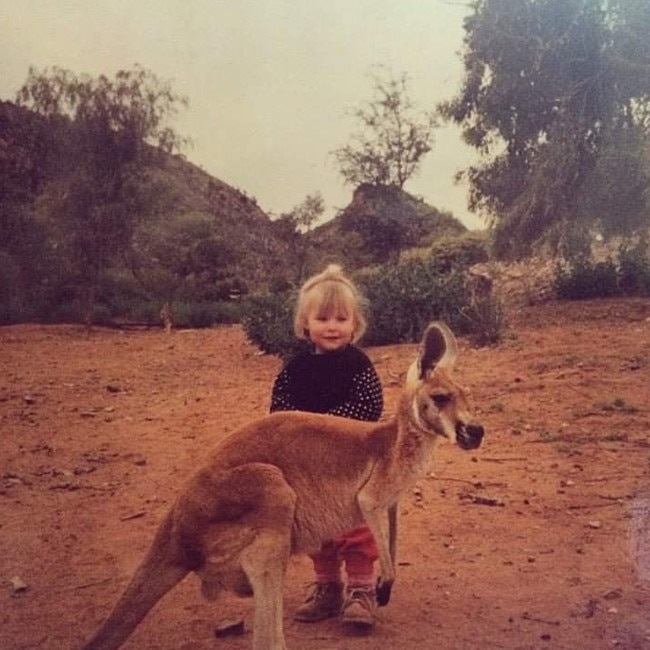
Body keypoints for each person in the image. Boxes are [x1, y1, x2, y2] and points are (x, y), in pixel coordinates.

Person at [270, 264, 384, 628]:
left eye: (341, 318)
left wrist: (324, 427)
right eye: (322, 318)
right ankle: (327, 587)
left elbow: (369, 405)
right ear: (306, 325)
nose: (332, 326)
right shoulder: (294, 369)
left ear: (355, 324)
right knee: (315, 528)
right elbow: (280, 412)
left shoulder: (358, 364)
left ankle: (362, 590)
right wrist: (302, 436)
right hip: (307, 467)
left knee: (355, 525)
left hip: (350, 463)